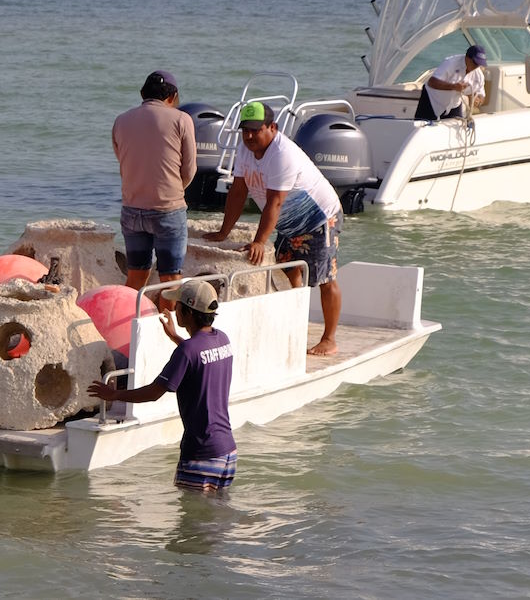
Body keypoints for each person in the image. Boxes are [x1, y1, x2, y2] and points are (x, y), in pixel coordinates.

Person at [203, 101, 344, 356]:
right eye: (244, 130)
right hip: (288, 222)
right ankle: (297, 323)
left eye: (255, 130)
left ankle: (329, 338)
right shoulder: (245, 148)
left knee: (324, 278)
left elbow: (275, 201)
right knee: (288, 270)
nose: (248, 136)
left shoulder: (282, 154)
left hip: (320, 217)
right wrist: (224, 231)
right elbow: (238, 191)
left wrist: (259, 241)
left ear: (273, 127)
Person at [88, 280, 236, 492]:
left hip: (201, 454)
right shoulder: (222, 339)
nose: (174, 310)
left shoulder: (188, 351)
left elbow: (154, 392)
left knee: (192, 522)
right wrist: (175, 337)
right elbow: (198, 356)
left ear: (188, 312)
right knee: (217, 517)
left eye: (178, 306)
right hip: (227, 452)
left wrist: (114, 394)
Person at [112, 69, 198, 296]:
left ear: (143, 94)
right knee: (170, 280)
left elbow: (123, 161)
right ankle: (166, 328)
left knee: (136, 277)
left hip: (132, 211)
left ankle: (128, 322)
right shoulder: (182, 119)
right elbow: (189, 169)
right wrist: (175, 191)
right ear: (173, 96)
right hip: (167, 211)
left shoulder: (121, 121)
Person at [414, 44, 488, 121]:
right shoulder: (450, 63)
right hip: (432, 99)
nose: (476, 66)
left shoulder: (479, 76)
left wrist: (477, 100)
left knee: (456, 128)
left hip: (454, 104)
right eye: (475, 63)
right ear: (467, 58)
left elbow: (481, 96)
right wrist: (453, 87)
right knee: (421, 127)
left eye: (479, 64)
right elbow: (432, 82)